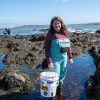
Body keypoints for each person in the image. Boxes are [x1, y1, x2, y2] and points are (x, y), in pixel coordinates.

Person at [44, 16, 73, 100]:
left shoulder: (64, 33)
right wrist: (49, 61)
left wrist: (70, 57)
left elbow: (68, 46)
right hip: (54, 60)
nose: (57, 25)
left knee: (62, 77)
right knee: (54, 79)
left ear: (61, 24)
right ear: (52, 25)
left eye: (58, 23)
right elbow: (46, 48)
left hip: (64, 59)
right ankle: (51, 96)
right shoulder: (50, 34)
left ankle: (59, 94)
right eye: (55, 23)